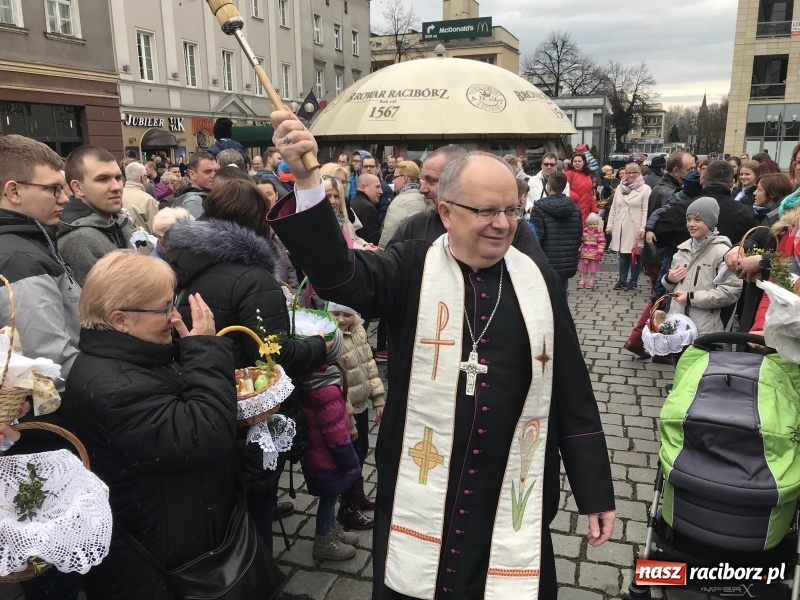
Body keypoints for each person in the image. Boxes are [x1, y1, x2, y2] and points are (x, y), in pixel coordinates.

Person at [266, 110, 615, 599]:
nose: (502, 224)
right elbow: (339, 276)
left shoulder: (539, 281)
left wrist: (595, 490)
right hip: (422, 480)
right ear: (447, 212)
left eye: (512, 211)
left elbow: (572, 390)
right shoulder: (411, 266)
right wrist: (306, 179)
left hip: (509, 482)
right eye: (486, 211)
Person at [64, 251, 281, 599]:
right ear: (119, 319)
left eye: (173, 303)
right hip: (157, 561)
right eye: (163, 308)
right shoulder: (114, 388)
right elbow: (204, 435)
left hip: (178, 532)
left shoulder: (131, 355)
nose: (174, 316)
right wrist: (206, 349)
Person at [163, 178, 328, 555]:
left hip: (203, 397)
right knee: (255, 502)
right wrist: (323, 347)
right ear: (259, 223)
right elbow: (275, 353)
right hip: (251, 410)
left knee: (226, 498)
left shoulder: (181, 262)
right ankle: (257, 579)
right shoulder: (253, 278)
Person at [0, 135, 83, 600]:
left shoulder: (27, 242)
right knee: (49, 554)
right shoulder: (19, 255)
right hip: (44, 426)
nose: (65, 197)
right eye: (53, 188)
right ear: (13, 191)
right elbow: (54, 362)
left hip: (25, 422)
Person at [296, 327, 362, 559]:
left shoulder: (313, 376)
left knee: (331, 497)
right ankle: (323, 540)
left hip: (318, 456)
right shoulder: (326, 389)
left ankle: (331, 530)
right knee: (329, 499)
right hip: (328, 458)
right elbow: (335, 435)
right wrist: (350, 462)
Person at [331, 301, 386, 530]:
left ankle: (358, 495)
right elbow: (335, 383)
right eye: (336, 314)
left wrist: (378, 398)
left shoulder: (359, 330)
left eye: (347, 314)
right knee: (351, 457)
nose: (342, 319)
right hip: (345, 411)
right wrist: (349, 418)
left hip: (361, 405)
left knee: (362, 450)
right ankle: (347, 508)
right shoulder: (331, 339)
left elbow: (369, 366)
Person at [662, 197, 742, 338]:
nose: (691, 224)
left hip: (705, 328)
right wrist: (669, 279)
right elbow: (672, 288)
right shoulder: (683, 250)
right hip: (678, 325)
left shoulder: (722, 252)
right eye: (689, 220)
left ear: (710, 222)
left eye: (698, 220)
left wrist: (691, 298)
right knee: (679, 360)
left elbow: (731, 292)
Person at [58, 146, 137, 286]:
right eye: (103, 179)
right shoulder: (79, 239)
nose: (116, 187)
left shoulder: (118, 221)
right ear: (78, 187)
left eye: (118, 178)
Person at [529, 170, 583, 298]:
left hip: (547, 262)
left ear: (549, 187)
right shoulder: (575, 209)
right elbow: (578, 236)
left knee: (546, 297)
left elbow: (536, 239)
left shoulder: (539, 209)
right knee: (562, 294)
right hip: (567, 262)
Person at [607, 163, 651, 291]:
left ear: (639, 174)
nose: (631, 175)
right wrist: (610, 225)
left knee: (635, 255)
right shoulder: (620, 188)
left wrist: (643, 228)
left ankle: (633, 280)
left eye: (634, 173)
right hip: (621, 225)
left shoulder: (645, 189)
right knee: (623, 254)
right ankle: (622, 279)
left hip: (635, 226)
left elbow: (645, 210)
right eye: (628, 172)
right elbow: (614, 208)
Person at [379, 159, 425, 249]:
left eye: (395, 177)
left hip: (402, 253)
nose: (393, 181)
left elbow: (387, 237)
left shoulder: (399, 203)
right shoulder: (426, 198)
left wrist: (380, 254)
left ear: (404, 178)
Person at [172, 151, 219, 218]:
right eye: (207, 171)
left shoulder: (209, 196)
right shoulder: (193, 201)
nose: (213, 175)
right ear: (192, 174)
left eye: (216, 171)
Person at [122, 161, 159, 233]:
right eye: (146, 176)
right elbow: (155, 230)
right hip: (144, 243)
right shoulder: (148, 200)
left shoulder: (117, 195)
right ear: (142, 178)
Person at [565, 152, 598, 223]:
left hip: (586, 211)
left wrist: (594, 210)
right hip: (573, 209)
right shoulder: (568, 174)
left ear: (584, 162)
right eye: (575, 161)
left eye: (579, 161)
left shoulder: (587, 175)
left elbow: (590, 194)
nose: (577, 163)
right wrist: (575, 196)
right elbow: (564, 189)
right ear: (572, 162)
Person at [350, 173, 383, 246]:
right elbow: (372, 241)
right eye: (377, 187)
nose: (381, 191)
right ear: (363, 187)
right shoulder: (367, 208)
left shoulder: (353, 203)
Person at [577, 213, 606, 291]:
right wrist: (579, 250)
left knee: (593, 269)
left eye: (594, 224)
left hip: (594, 255)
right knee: (584, 269)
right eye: (591, 224)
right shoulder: (584, 232)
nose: (592, 226)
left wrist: (599, 253)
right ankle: (582, 280)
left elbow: (601, 244)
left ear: (597, 224)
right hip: (584, 253)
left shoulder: (599, 234)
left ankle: (591, 281)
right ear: (587, 225)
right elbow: (581, 242)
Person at [362, 155, 394, 220]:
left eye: (371, 166)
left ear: (377, 169)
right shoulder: (359, 186)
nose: (368, 169)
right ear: (362, 169)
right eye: (365, 166)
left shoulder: (385, 189)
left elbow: (382, 215)